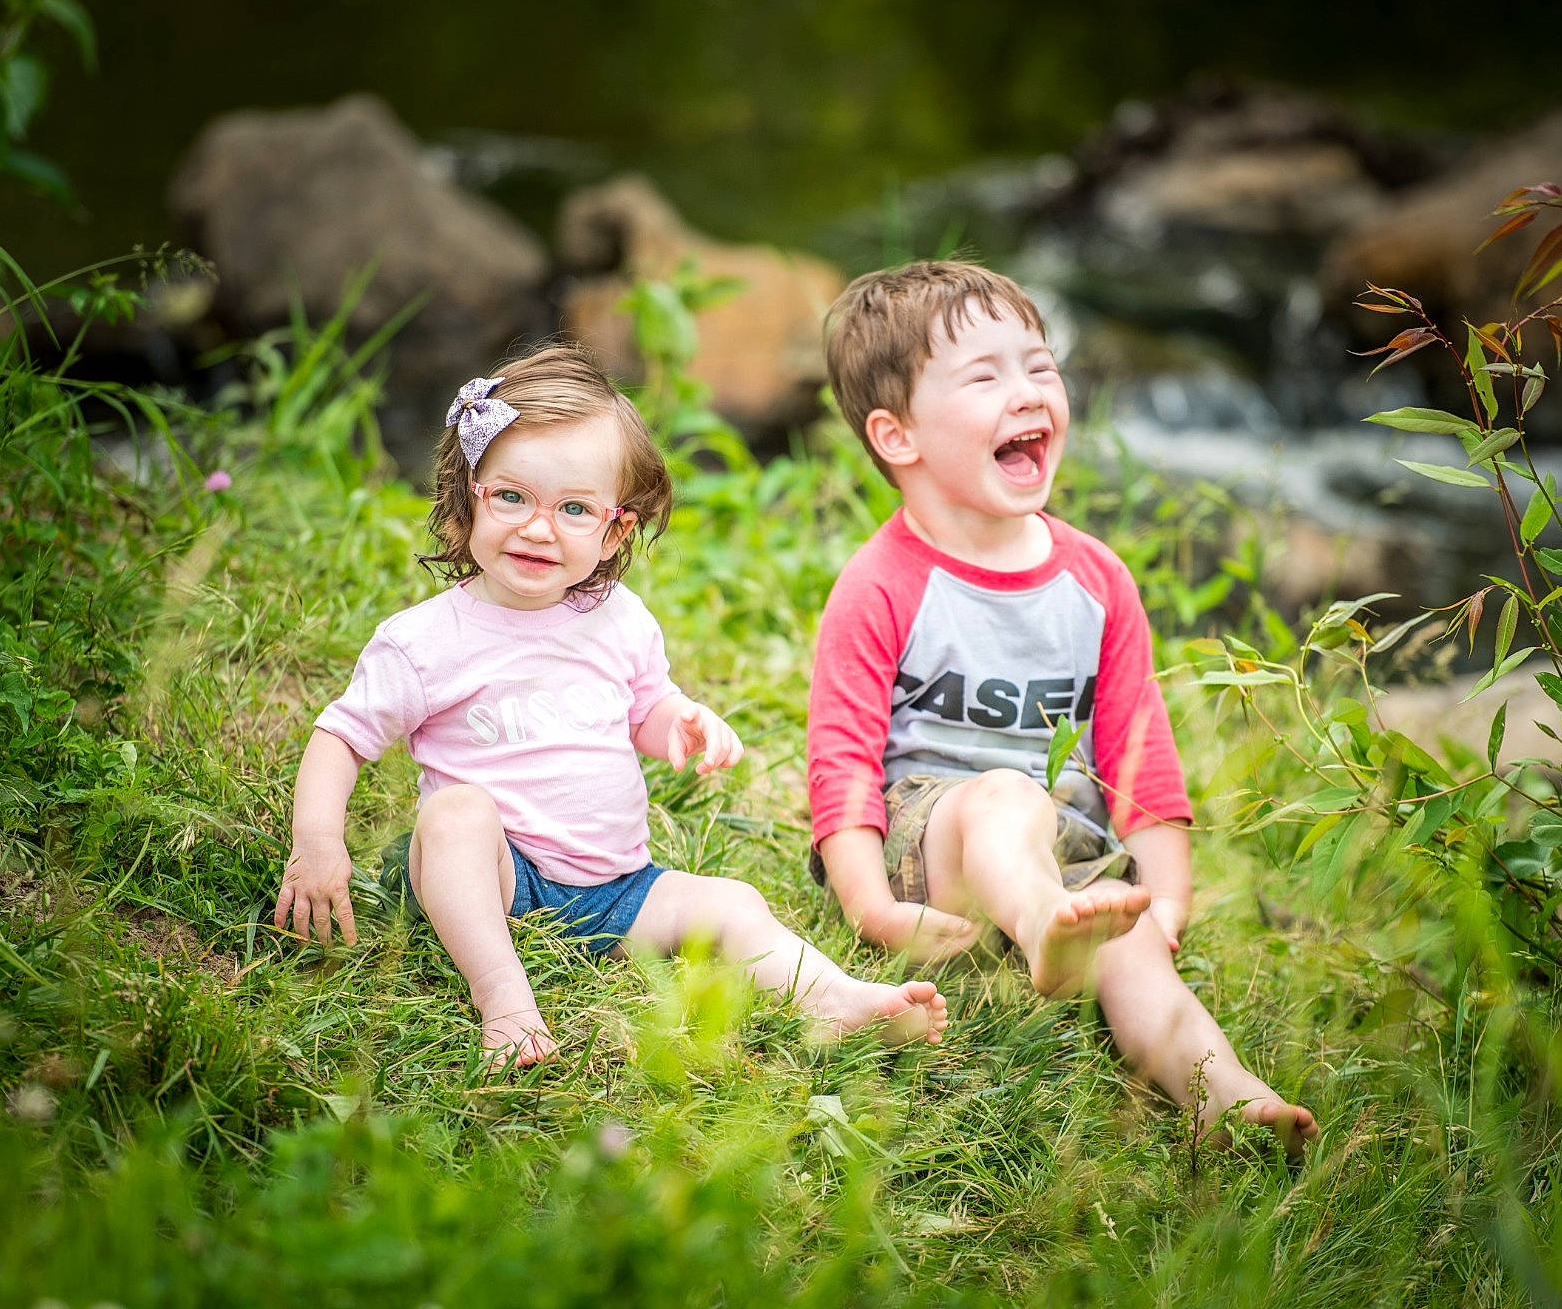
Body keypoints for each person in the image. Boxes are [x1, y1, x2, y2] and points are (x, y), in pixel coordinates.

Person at [272, 346, 948, 1065]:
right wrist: (318, 844)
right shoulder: (426, 641)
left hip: (617, 889)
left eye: (572, 509)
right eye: (511, 497)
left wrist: (678, 721)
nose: (538, 527)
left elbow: (644, 708)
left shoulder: (618, 619)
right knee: (454, 816)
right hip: (497, 878)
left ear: (615, 529)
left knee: (734, 902)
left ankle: (836, 997)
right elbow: (338, 738)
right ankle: (503, 995)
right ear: (469, 493)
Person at [806, 262, 1317, 1150]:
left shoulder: (1095, 581)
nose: (1028, 392)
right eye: (986, 376)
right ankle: (1041, 918)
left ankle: (1224, 1096)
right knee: (1008, 796)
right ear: (898, 436)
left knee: (1137, 954)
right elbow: (842, 760)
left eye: (1040, 366)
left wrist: (1164, 899)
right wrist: (868, 905)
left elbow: (1137, 752)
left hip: (1069, 858)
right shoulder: (883, 584)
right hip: (931, 846)